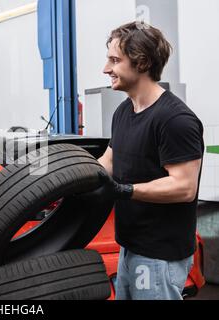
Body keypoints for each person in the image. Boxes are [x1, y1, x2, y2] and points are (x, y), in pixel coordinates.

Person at [97, 22, 204, 300]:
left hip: (159, 254)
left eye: (115, 60)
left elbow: (183, 187)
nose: (106, 69)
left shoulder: (175, 120)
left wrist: (125, 190)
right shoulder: (124, 111)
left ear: (141, 62)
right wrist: (69, 182)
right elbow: (109, 160)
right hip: (130, 244)